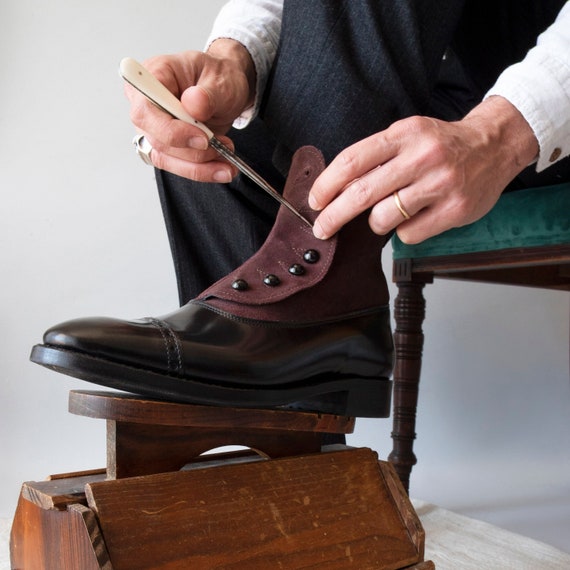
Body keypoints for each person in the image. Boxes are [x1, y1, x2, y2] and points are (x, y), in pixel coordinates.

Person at [31, 0, 570, 418]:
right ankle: (270, 419)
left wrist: (507, 130)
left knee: (284, 151)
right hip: (467, 67)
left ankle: (309, 315)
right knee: (222, 148)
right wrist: (232, 59)